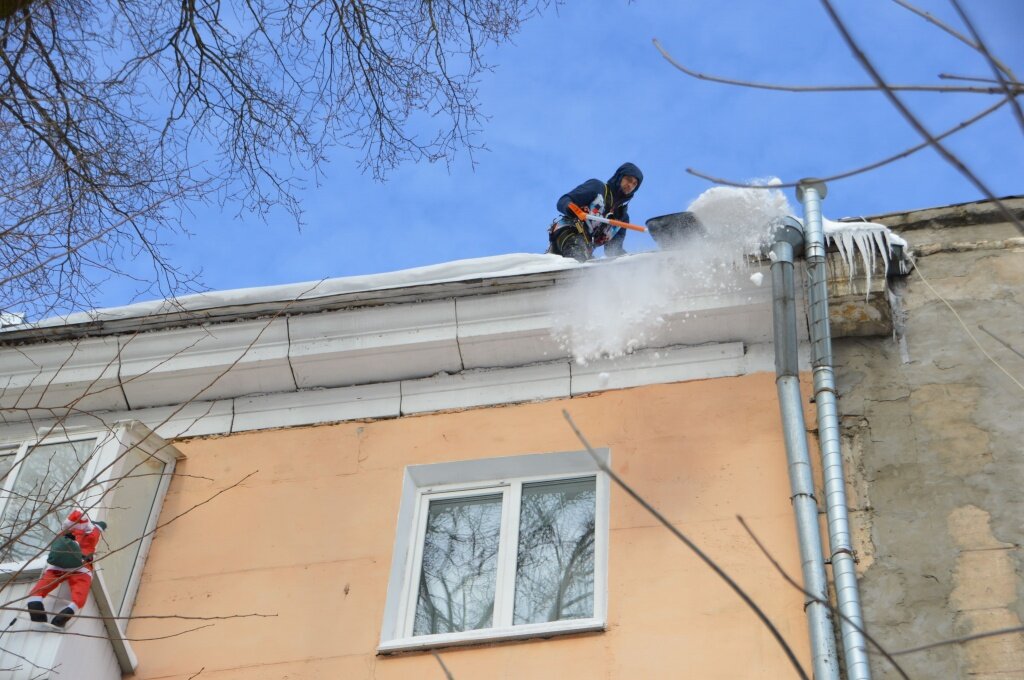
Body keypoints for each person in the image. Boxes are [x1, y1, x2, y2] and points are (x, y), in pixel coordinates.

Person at [26, 509, 107, 628]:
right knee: (81, 589)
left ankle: (35, 601)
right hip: (80, 566)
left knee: (45, 582)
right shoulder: (90, 535)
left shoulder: (63, 534)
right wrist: (100, 526)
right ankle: (71, 609)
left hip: (57, 566)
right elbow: (96, 533)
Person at [549, 162, 644, 262]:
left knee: (595, 271)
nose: (630, 185)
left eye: (634, 184)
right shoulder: (597, 188)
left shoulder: (622, 218)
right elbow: (563, 201)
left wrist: (632, 261)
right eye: (628, 179)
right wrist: (573, 209)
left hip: (586, 249)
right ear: (619, 177)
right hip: (569, 232)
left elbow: (613, 250)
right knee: (579, 259)